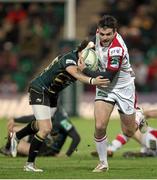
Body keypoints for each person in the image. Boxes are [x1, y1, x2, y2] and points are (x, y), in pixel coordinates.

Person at [10, 43, 110, 172]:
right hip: (40, 89)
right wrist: (92, 81)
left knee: (43, 126)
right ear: (81, 54)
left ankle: (17, 136)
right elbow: (76, 74)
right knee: (46, 129)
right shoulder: (68, 60)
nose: (84, 66)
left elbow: (85, 47)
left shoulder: (80, 54)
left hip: (52, 94)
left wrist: (90, 46)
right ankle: (29, 164)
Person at [79, 15, 147, 172]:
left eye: (108, 34)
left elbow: (108, 76)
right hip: (105, 88)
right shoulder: (97, 35)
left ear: (115, 32)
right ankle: (103, 163)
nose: (104, 38)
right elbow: (88, 42)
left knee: (128, 131)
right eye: (102, 34)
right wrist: (82, 50)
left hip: (123, 88)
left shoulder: (117, 48)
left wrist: (85, 70)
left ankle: (139, 116)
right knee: (100, 125)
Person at [0, 105, 81, 157]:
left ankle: (13, 150)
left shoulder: (62, 120)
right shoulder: (47, 111)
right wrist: (15, 120)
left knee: (16, 145)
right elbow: (32, 117)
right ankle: (8, 149)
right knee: (13, 129)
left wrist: (67, 155)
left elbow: (76, 137)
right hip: (35, 138)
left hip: (45, 148)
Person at [91, 108, 157, 158]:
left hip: (153, 137)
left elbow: (148, 114)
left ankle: (110, 149)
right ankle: (149, 152)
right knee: (131, 129)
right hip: (152, 140)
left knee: (130, 129)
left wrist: (141, 116)